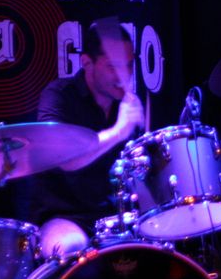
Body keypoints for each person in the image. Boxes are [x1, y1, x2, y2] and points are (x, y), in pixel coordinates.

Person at [30, 18, 144, 257]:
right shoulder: (59, 96)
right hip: (64, 218)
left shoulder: (126, 106)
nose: (123, 75)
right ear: (86, 63)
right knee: (73, 246)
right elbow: (64, 159)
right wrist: (118, 132)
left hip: (117, 218)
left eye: (129, 65)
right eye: (113, 66)